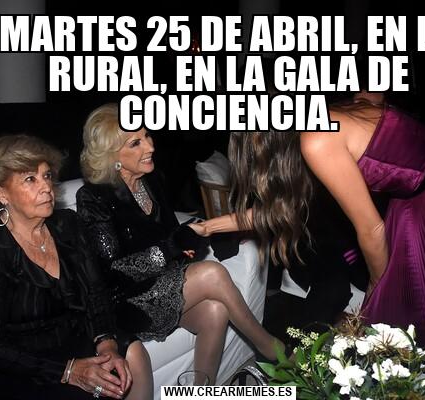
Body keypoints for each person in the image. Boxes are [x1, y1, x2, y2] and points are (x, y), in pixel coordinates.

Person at [191, 99, 425, 377]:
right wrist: (208, 227)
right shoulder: (326, 118)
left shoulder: (317, 139)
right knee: (411, 309)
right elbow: (284, 209)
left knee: (422, 308)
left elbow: (372, 230)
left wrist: (378, 285)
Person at [75, 104, 281, 385]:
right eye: (136, 143)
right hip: (127, 301)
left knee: (216, 311)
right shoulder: (92, 197)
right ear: (112, 156)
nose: (150, 147)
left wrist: (187, 243)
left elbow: (171, 234)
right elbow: (115, 271)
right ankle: (270, 348)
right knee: (212, 272)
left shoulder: (151, 180)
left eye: (147, 136)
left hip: (164, 283)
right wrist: (171, 248)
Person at [0, 135, 153, 400]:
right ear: (1, 193)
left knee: (133, 354)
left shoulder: (69, 225)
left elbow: (96, 294)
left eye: (47, 176)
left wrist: (106, 343)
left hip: (59, 333)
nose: (46, 187)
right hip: (0, 359)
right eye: (30, 179)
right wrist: (69, 371)